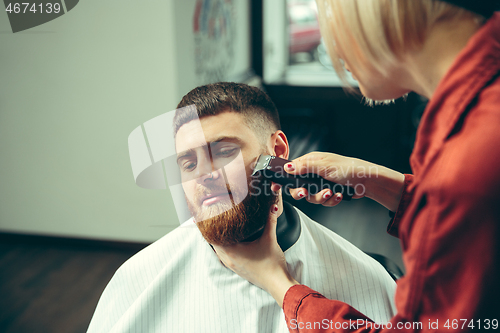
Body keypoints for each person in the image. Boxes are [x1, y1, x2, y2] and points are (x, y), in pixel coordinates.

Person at [211, 1, 500, 332]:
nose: (328, 39)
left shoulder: (473, 157)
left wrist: (279, 283)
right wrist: (378, 181)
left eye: (331, 11)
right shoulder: (474, 120)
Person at [86, 82, 397, 333]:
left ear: (276, 151)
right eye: (188, 163)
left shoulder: (369, 279)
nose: (203, 176)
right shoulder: (137, 281)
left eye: (223, 152)